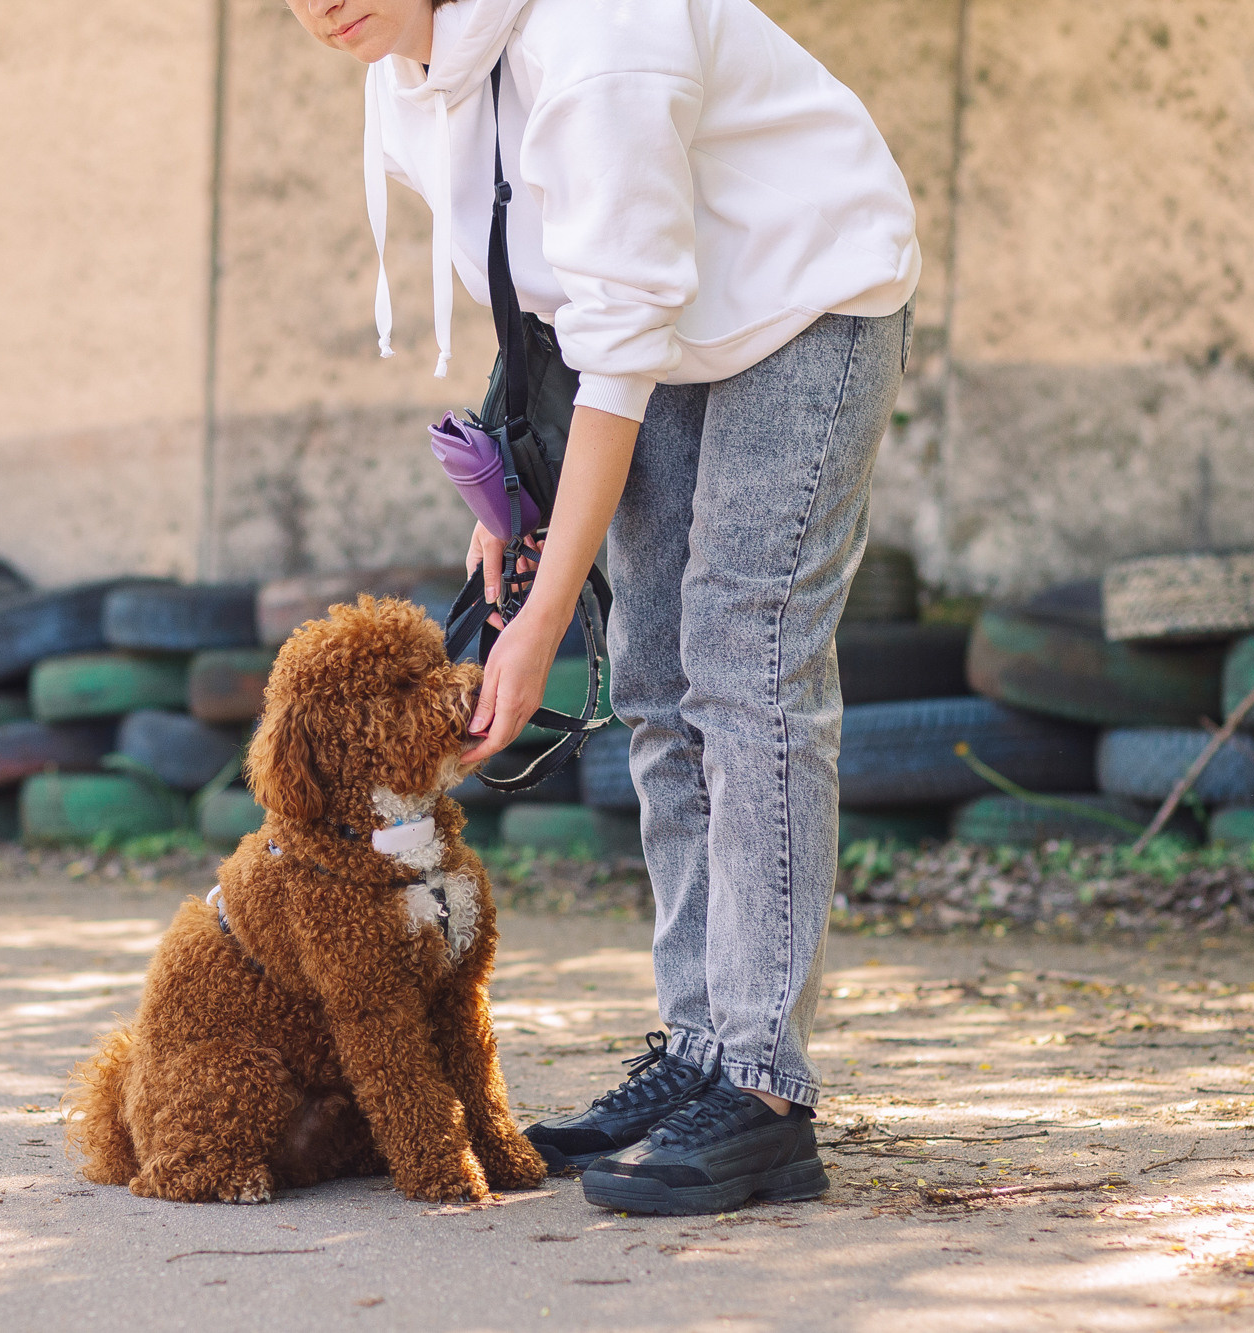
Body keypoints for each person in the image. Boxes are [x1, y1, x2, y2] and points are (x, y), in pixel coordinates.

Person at [284, 0, 919, 1215]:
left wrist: (535, 623)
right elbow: (541, 301)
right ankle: (698, 1051)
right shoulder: (410, 63)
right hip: (661, 331)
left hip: (801, 298)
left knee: (745, 659)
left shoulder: (597, 33)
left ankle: (763, 1092)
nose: (319, 3)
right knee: (654, 678)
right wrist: (508, 494)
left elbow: (618, 327)